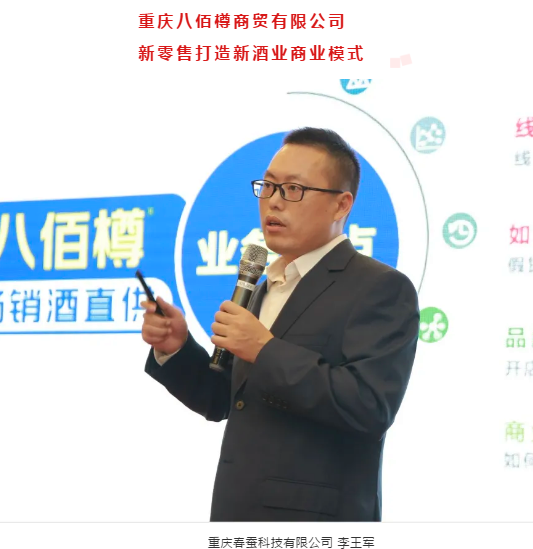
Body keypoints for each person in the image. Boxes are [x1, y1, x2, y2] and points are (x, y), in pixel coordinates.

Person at [141, 127, 420, 521]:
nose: (273, 201)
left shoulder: (380, 288)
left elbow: (369, 407)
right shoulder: (264, 285)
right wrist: (176, 349)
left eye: (293, 189)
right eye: (268, 186)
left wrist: (264, 349)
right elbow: (225, 401)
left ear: (341, 205)